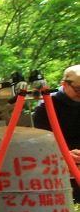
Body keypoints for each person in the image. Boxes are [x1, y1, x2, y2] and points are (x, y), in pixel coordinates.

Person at [32, 64, 80, 202]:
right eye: (78, 89)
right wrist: (65, 155)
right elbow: (42, 142)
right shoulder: (46, 106)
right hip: (57, 163)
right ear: (64, 84)